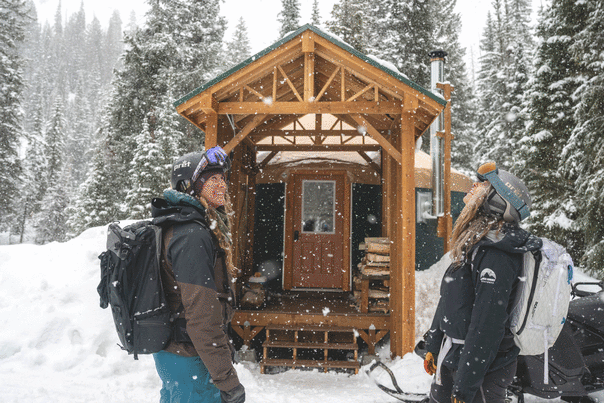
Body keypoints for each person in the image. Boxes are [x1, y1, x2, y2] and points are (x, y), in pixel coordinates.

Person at [423, 162, 543, 403]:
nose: (474, 186)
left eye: (483, 185)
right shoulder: (475, 243)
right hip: (456, 358)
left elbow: (486, 326)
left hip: (482, 371)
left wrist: (465, 388)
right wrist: (434, 344)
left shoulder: (497, 254)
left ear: (497, 201)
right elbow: (450, 297)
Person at [150, 146, 245, 403]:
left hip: (175, 354)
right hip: (190, 357)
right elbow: (201, 315)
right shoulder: (193, 235)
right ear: (190, 186)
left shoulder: (179, 225)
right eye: (212, 179)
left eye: (223, 178)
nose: (222, 185)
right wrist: (227, 380)